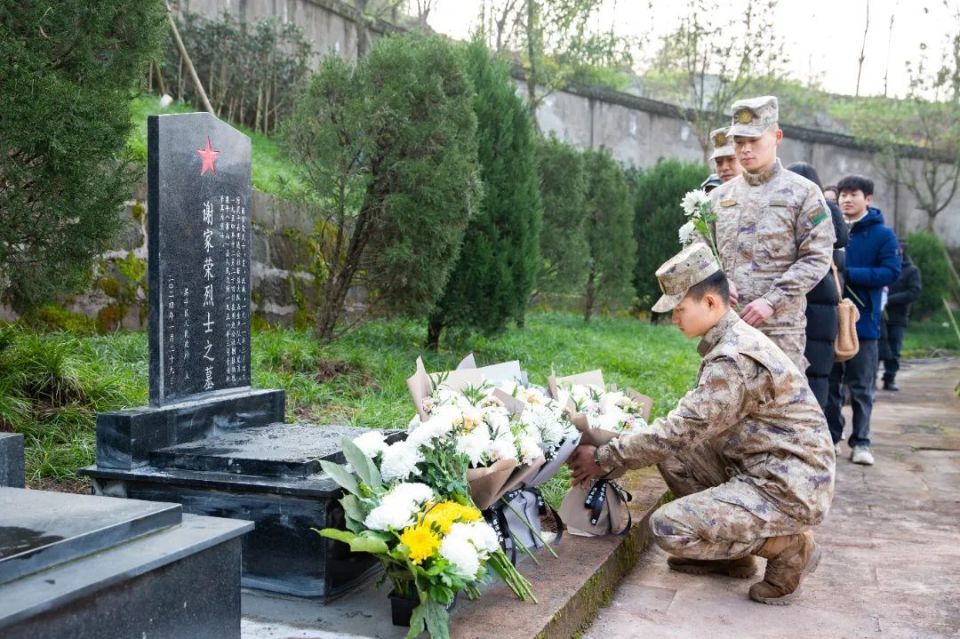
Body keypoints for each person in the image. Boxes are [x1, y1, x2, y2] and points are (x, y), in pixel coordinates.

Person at [568, 242, 835, 606]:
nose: (674, 319)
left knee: (669, 527)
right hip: (763, 464)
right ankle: (732, 557)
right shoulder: (728, 341)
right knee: (672, 455)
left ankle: (790, 547)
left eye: (679, 310)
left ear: (710, 302)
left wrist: (604, 456)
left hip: (788, 485)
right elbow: (683, 432)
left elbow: (679, 430)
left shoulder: (734, 357)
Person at [705, 96, 836, 370]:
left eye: (754, 141)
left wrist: (772, 300)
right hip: (725, 327)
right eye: (739, 142)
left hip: (780, 331)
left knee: (779, 409)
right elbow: (699, 250)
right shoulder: (718, 198)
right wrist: (716, 281)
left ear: (777, 136)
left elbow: (817, 257)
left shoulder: (804, 193)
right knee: (723, 409)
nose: (745, 150)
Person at [826, 175, 901, 465]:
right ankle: (832, 438)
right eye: (843, 194)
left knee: (861, 385)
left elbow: (891, 272)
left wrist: (849, 273)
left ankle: (862, 441)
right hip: (830, 320)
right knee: (830, 383)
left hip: (864, 322)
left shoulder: (883, 235)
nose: (846, 199)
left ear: (867, 199)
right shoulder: (829, 228)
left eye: (853, 194)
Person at [786, 162, 849, 409]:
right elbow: (842, 238)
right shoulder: (826, 209)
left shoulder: (816, 208)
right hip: (822, 304)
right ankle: (816, 438)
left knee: (804, 375)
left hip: (805, 301)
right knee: (818, 376)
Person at [879, 241, 921, 391]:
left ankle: (889, 378)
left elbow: (913, 292)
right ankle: (870, 379)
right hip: (879, 316)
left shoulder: (911, 271)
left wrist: (890, 300)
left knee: (894, 348)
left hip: (898, 316)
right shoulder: (884, 266)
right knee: (877, 347)